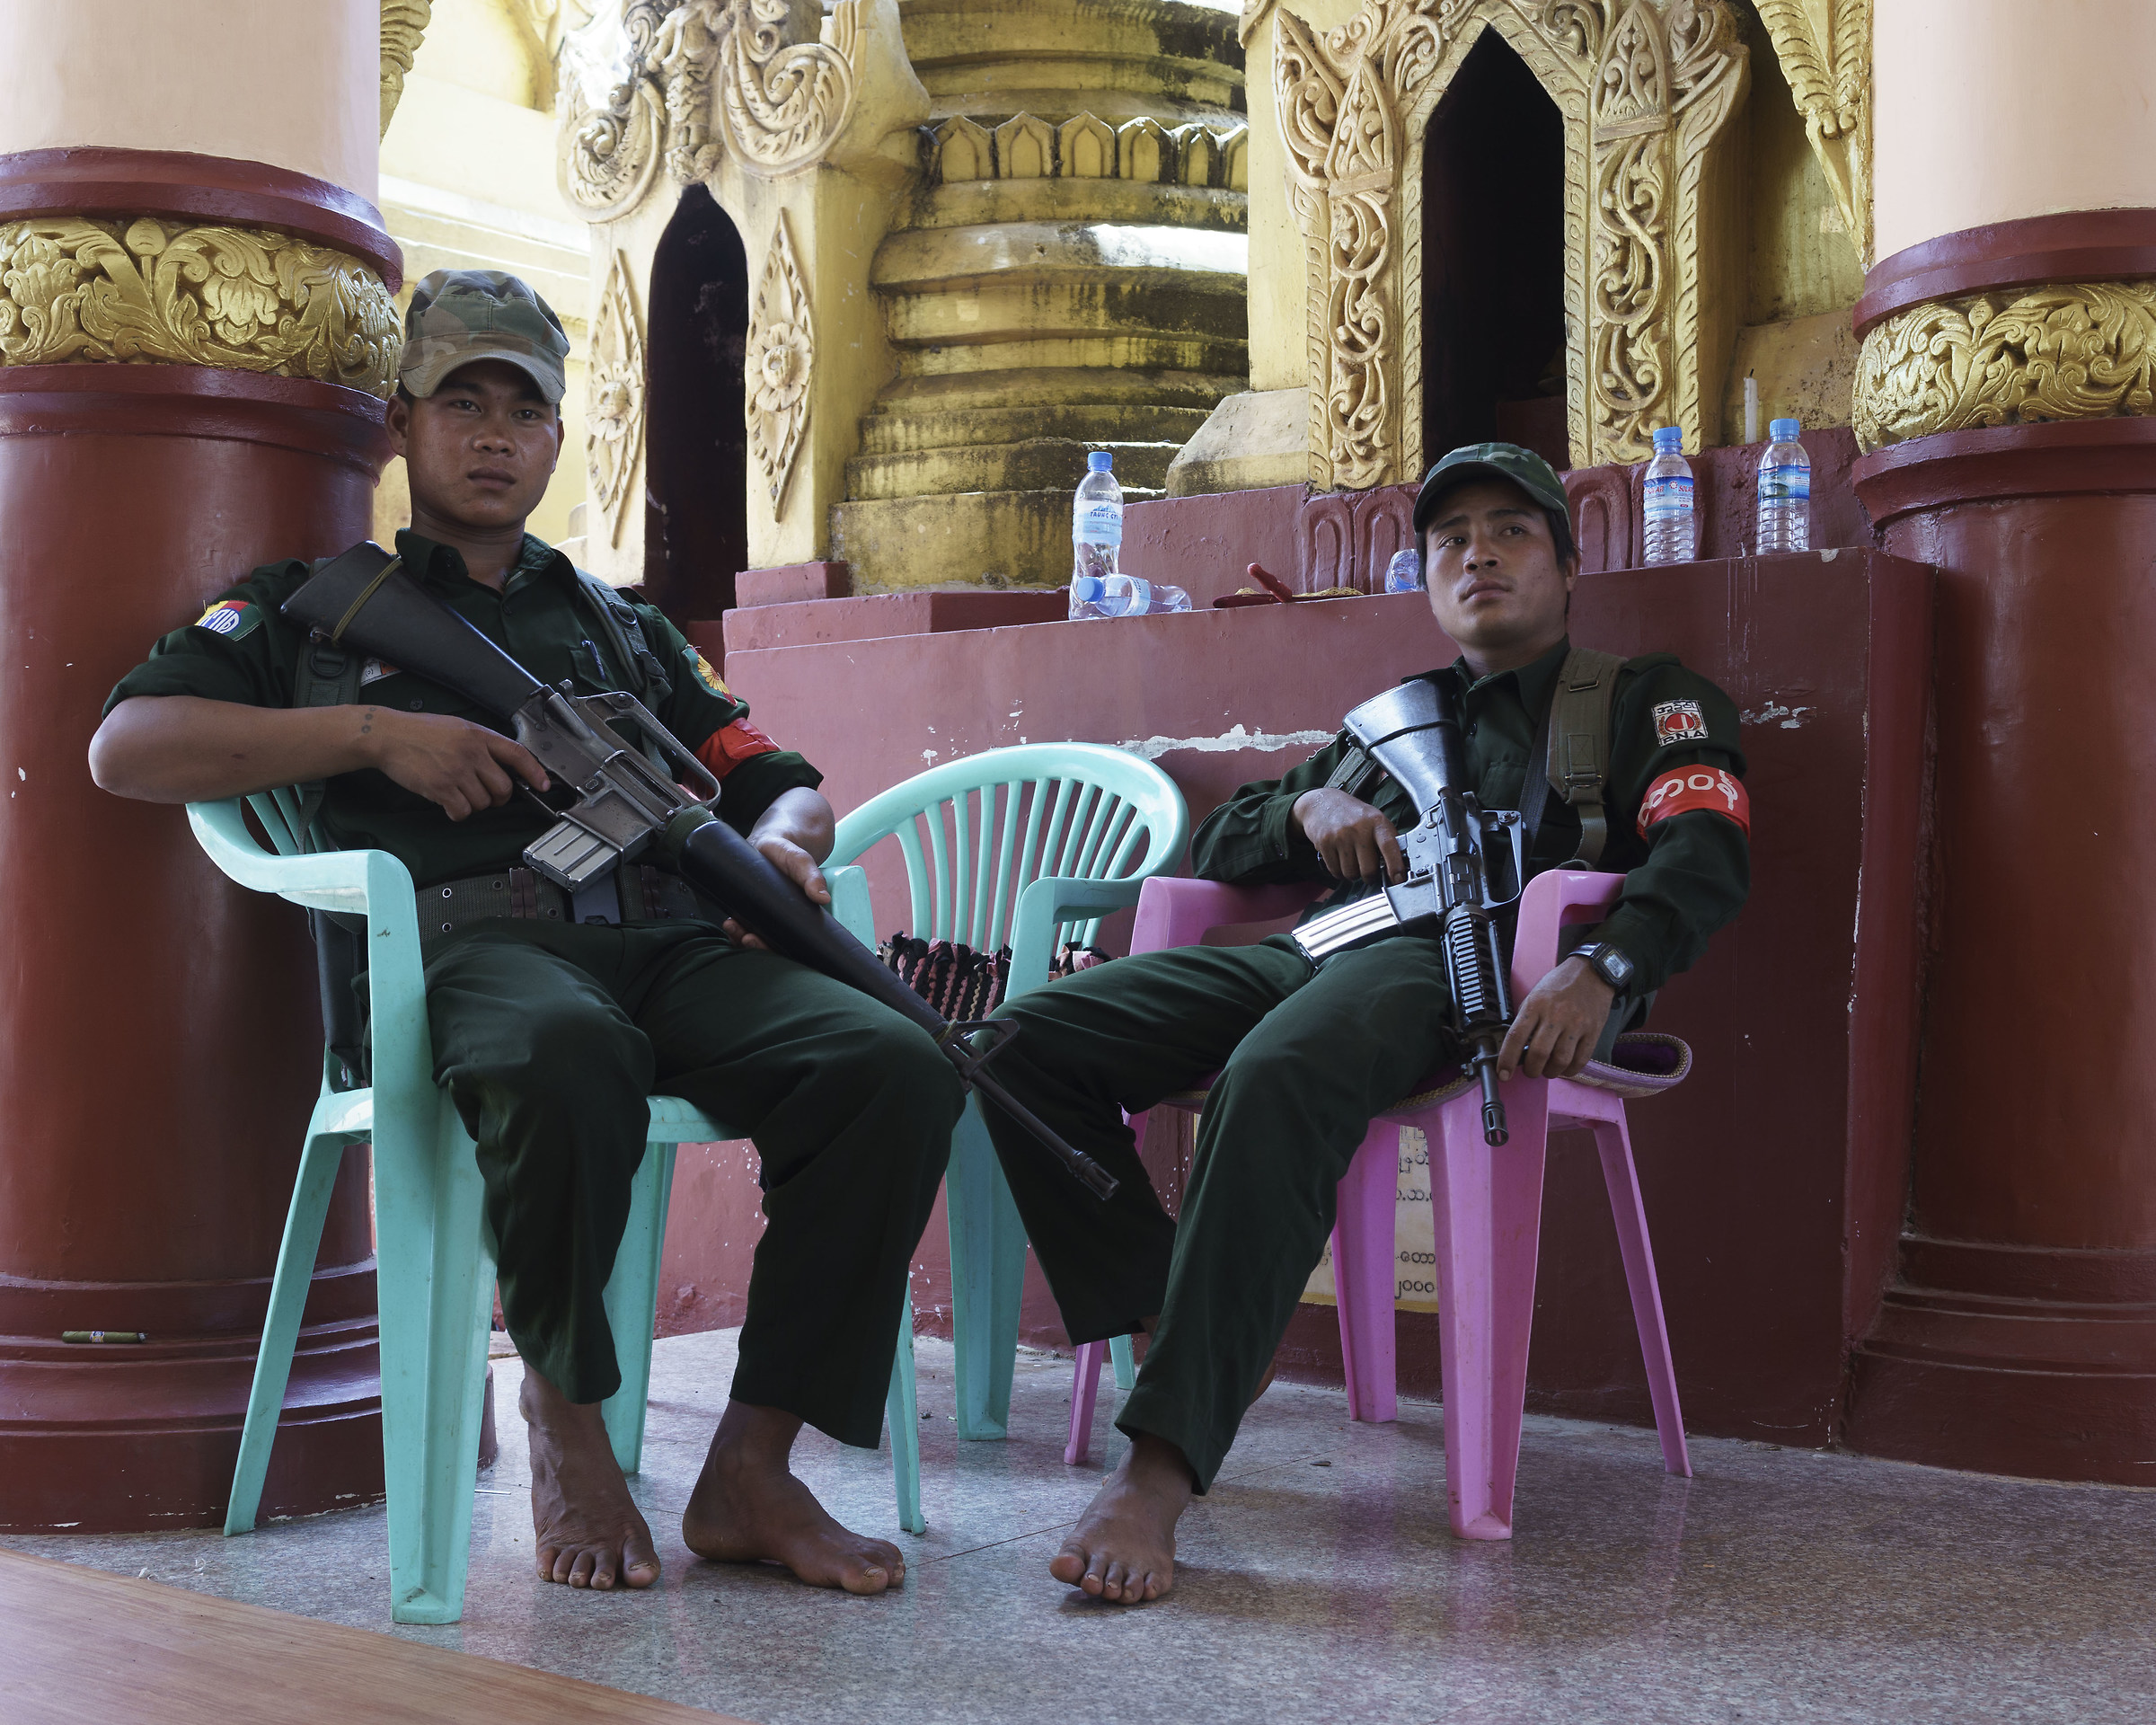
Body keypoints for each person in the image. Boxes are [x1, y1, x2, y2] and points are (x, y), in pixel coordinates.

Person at [88, 270, 962, 1598]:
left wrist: (785, 846)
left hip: (669, 946)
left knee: (892, 1062)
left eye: (526, 411)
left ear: (559, 438)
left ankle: (752, 1465)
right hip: (473, 958)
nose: (496, 436)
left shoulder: (621, 626)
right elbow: (128, 748)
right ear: (402, 423)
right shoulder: (311, 610)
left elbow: (774, 776)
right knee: (562, 1052)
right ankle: (564, 1418)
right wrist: (376, 736)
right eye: (463, 403)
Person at [974, 442, 1751, 1603]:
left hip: (1453, 977)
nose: (1478, 556)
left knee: (1275, 1071)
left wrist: (1604, 968)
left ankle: (1160, 1469)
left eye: (1511, 531)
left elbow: (1706, 854)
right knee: (1013, 1045)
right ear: (1426, 579)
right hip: (1306, 956)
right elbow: (1225, 842)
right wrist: (1311, 810)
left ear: (1569, 566)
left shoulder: (1646, 699)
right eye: (1451, 541)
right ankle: (1167, 1308)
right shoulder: (1396, 723)